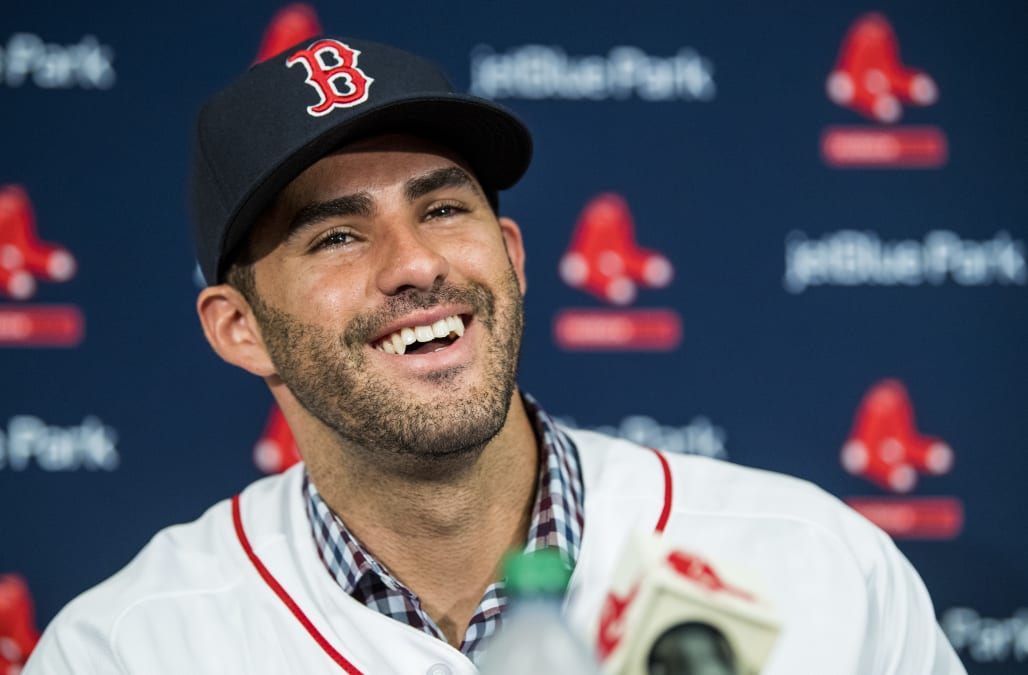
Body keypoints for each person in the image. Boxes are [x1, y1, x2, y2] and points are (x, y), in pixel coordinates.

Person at [24, 35, 965, 674]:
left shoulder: (814, 566)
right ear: (241, 328)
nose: (418, 262)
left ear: (510, 258)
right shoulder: (129, 647)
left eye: (442, 208)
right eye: (336, 237)